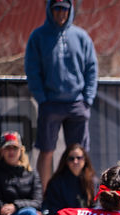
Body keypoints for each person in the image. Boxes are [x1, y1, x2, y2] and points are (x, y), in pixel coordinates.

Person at [24, 0, 97, 188]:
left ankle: (80, 195)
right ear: (50, 10)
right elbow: (32, 70)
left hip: (77, 103)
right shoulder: (38, 36)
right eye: (57, 8)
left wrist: (87, 99)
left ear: (70, 10)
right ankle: (47, 196)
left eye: (65, 9)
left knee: (78, 153)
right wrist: (42, 98)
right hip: (50, 103)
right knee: (47, 150)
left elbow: (91, 68)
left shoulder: (81, 37)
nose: (61, 13)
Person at [41, 143, 94, 215]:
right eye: (71, 159)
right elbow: (53, 211)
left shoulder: (93, 181)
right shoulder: (56, 183)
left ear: (85, 160)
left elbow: (95, 207)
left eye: (79, 158)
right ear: (66, 161)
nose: (75, 161)